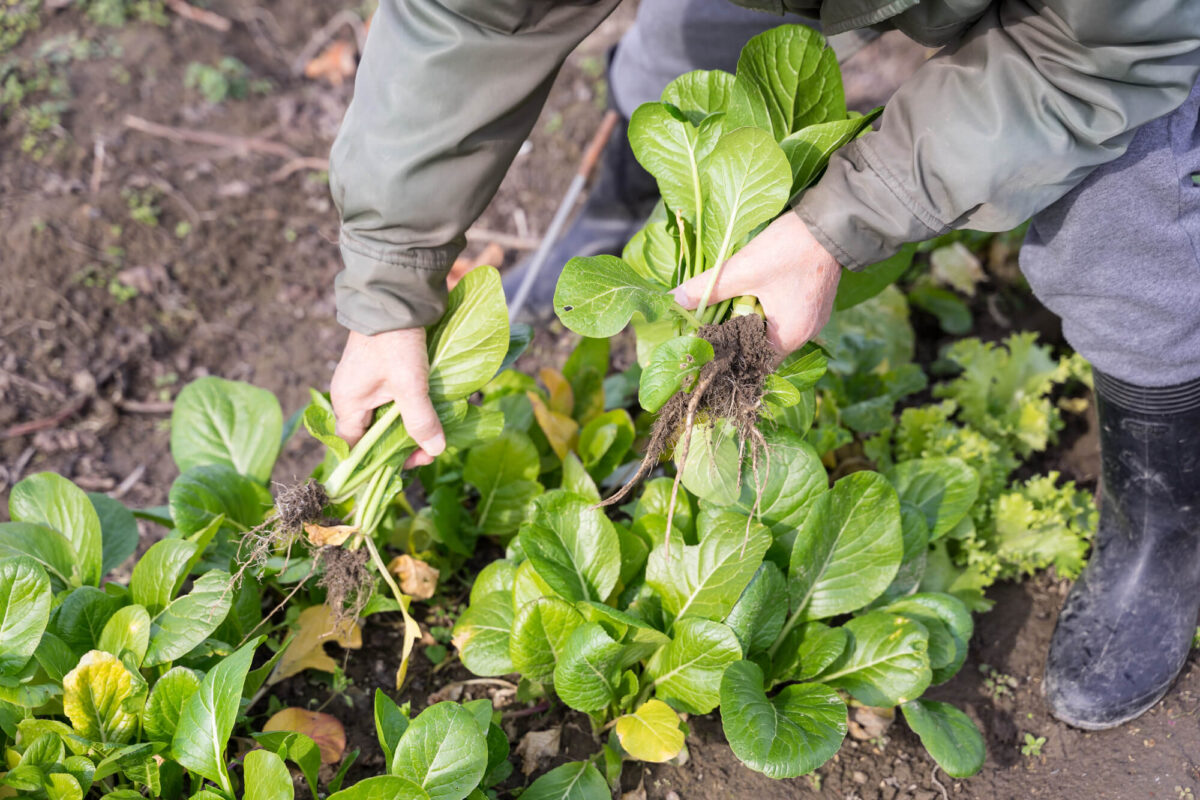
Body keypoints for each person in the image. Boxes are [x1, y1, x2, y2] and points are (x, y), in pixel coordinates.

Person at [326, 0, 1200, 732]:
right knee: (687, 53)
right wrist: (390, 268)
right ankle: (618, 212)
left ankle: (1161, 519)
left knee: (1130, 216)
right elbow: (473, 14)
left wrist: (844, 218)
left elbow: (1110, 47)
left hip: (1109, 33)